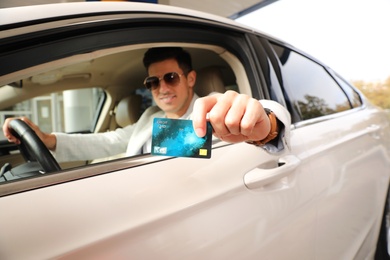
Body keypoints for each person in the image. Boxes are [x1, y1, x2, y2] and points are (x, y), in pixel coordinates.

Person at [3, 47, 290, 162]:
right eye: (153, 82)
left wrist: (266, 124)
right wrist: (47, 139)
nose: (162, 88)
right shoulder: (150, 116)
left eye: (171, 77)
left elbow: (262, 118)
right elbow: (110, 141)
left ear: (191, 79)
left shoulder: (212, 113)